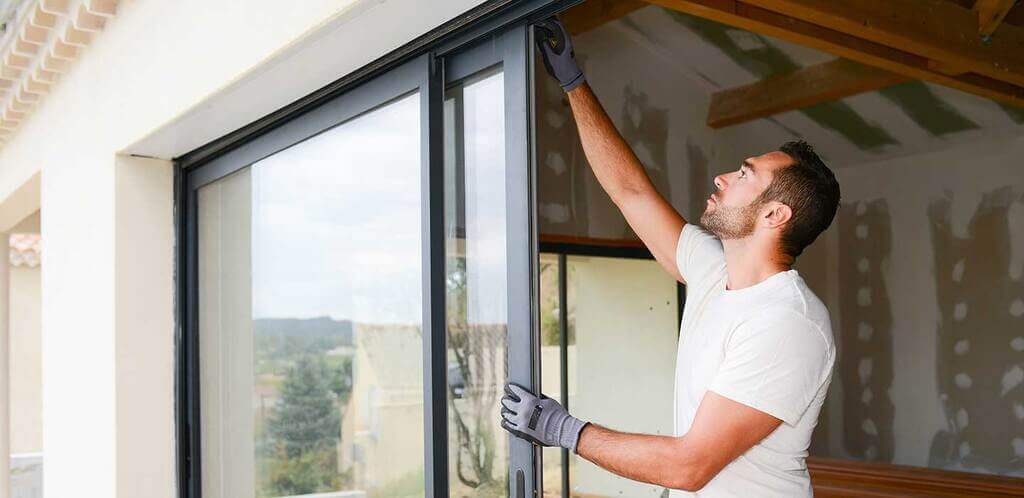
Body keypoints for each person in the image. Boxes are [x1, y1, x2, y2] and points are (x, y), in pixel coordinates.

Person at [499, 17, 841, 497]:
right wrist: (573, 83)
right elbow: (631, 191)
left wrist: (563, 430)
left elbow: (689, 466)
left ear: (774, 215)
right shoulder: (713, 271)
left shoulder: (788, 323)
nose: (722, 177)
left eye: (744, 175)